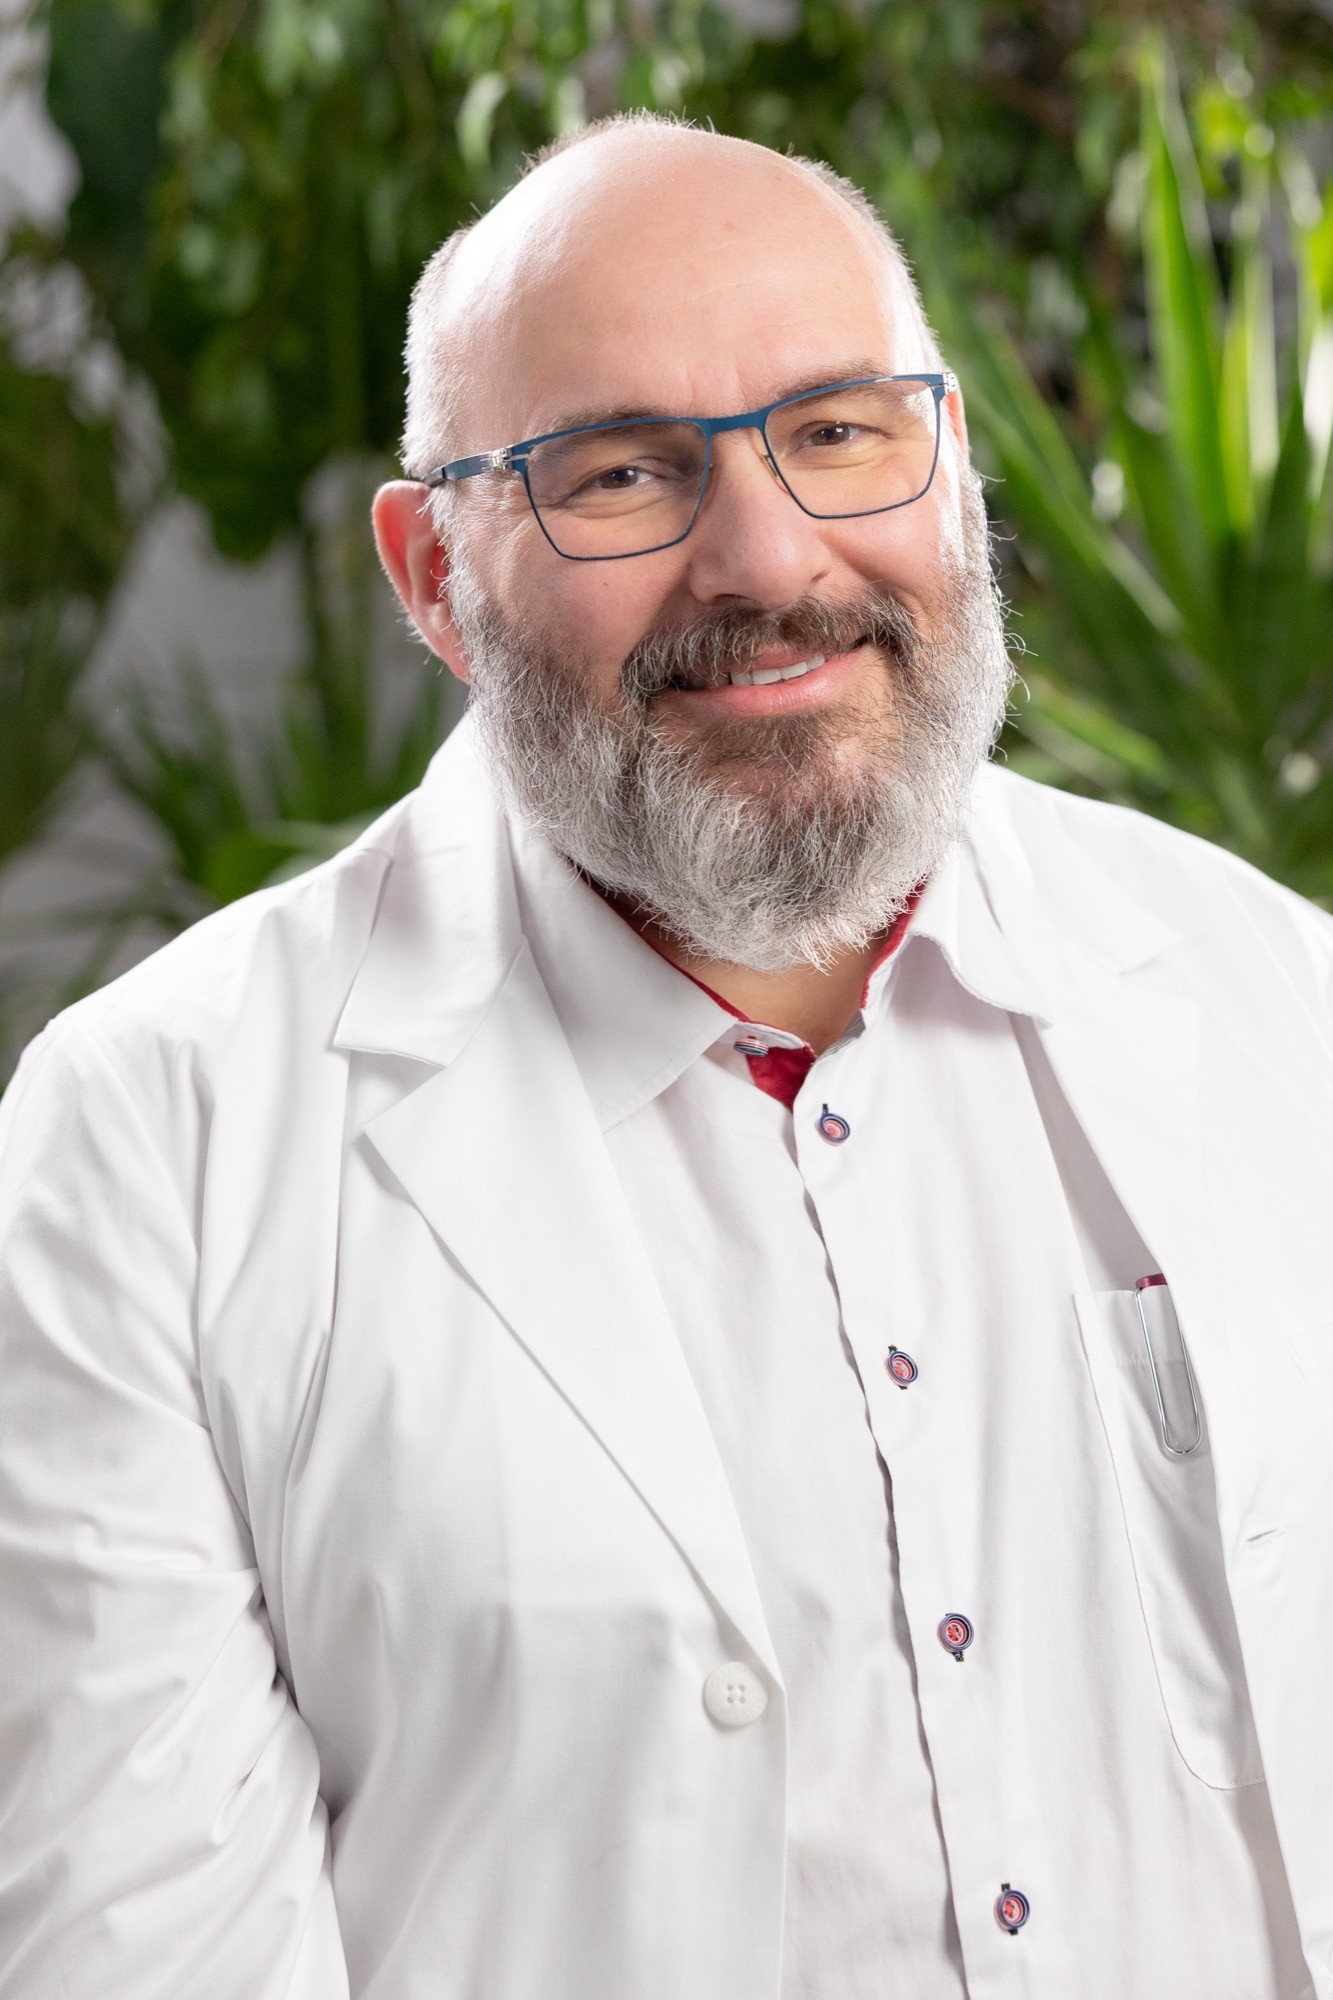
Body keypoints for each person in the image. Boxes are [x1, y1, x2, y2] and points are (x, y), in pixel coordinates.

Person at [0, 113, 1329, 2000]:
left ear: (947, 460)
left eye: (841, 429)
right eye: (616, 473)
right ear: (434, 576)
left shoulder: (1278, 998)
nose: (768, 557)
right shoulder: (148, 1143)